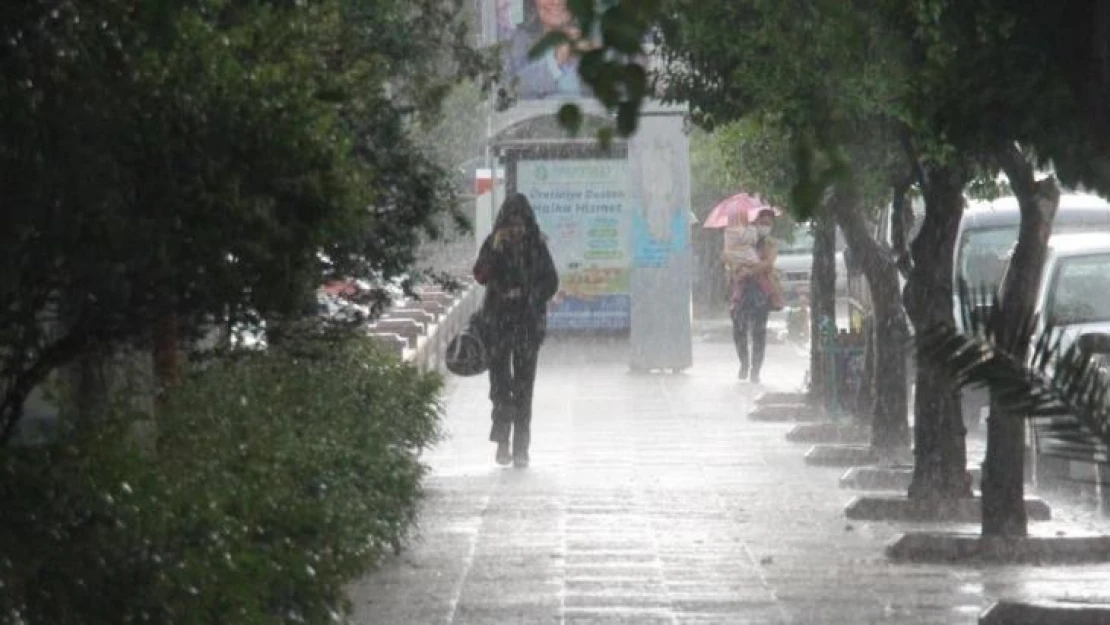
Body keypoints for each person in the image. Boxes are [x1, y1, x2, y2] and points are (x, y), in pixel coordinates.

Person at [473, 193, 559, 468]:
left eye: (520, 225)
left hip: (527, 326)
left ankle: (521, 447)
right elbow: (480, 275)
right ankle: (502, 443)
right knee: (500, 387)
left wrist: (529, 296)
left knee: (524, 388)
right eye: (511, 225)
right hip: (497, 326)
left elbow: (551, 281)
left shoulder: (537, 246)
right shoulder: (494, 244)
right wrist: (496, 252)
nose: (516, 231)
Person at [726, 208, 784, 383]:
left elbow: (768, 262)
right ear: (755, 222)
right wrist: (739, 268)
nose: (765, 226)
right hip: (742, 290)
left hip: (761, 291)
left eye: (768, 224)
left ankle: (755, 370)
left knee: (759, 332)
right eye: (762, 222)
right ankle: (744, 363)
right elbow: (729, 258)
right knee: (738, 329)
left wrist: (751, 269)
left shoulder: (771, 243)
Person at [502, 0, 594, 100]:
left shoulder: (593, 38)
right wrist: (555, 62)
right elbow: (507, 93)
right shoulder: (516, 43)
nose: (557, 2)